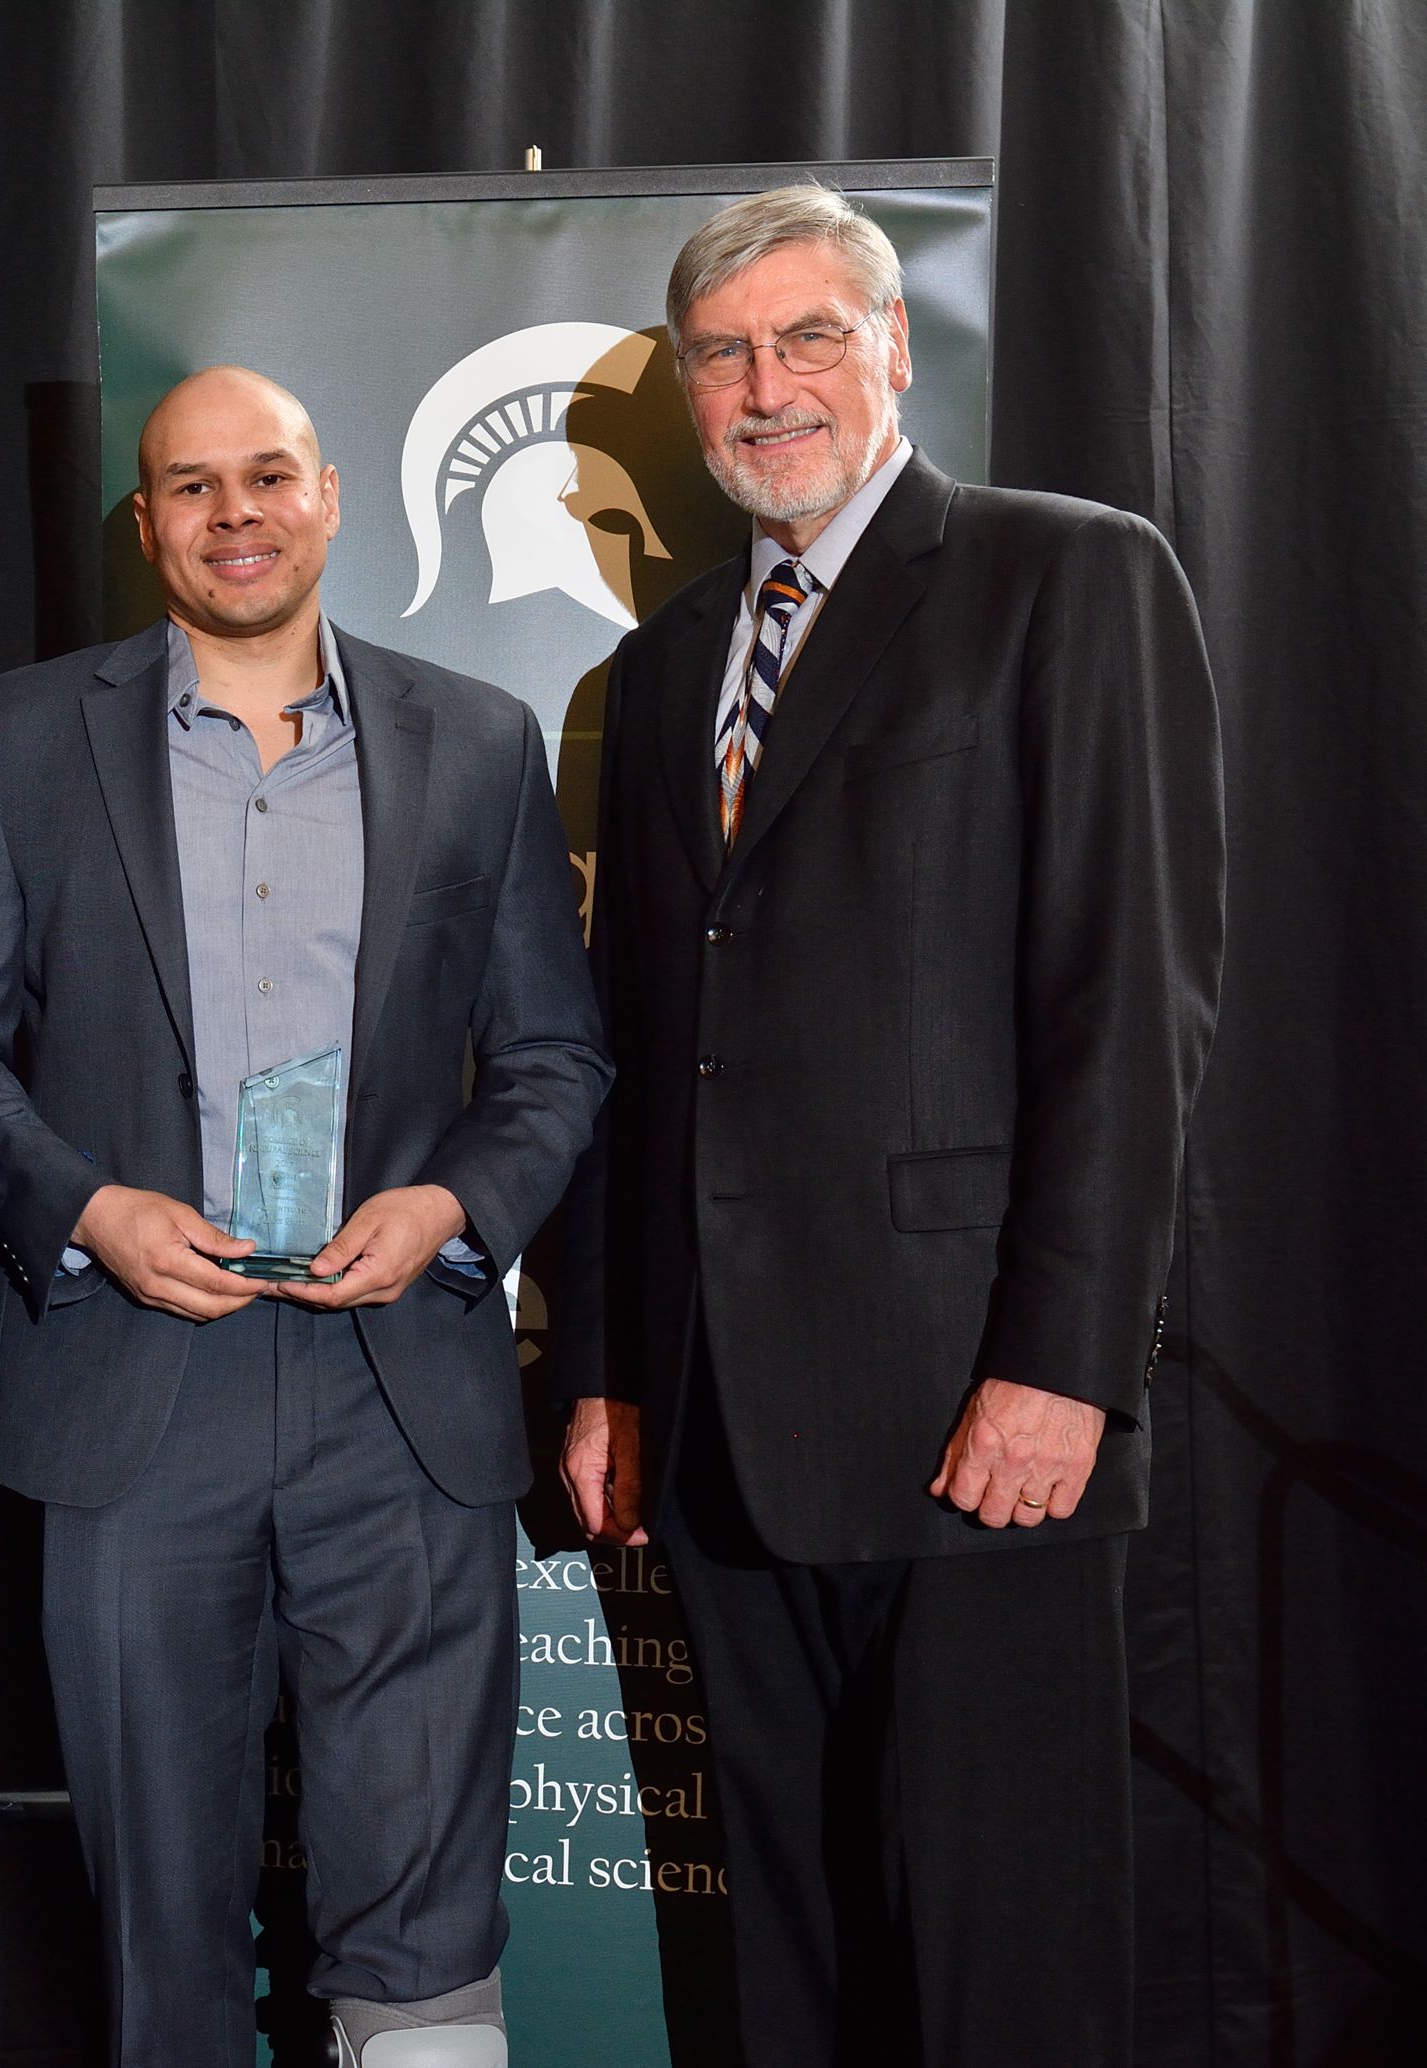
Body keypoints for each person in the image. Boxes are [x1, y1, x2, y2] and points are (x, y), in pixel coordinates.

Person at [551, 184, 1224, 2067]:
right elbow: (636, 1044)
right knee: (781, 1970)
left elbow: (1128, 1003)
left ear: (894, 347)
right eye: (726, 356)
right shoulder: (670, 665)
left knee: (999, 1962)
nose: (769, 389)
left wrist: (1064, 1366)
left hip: (973, 1423)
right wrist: (606, 1371)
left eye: (808, 338)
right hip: (716, 1430)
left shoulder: (1065, 577)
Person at [0, 367, 610, 2068]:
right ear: (145, 521)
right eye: (189, 486)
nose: (234, 514)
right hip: (140, 1390)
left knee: (432, 1926)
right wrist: (89, 1211)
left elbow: (552, 1055)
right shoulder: (15, 741)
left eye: (267, 477)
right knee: (160, 1928)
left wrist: (456, 1198)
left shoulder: (477, 737)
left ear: (329, 497)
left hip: (407, 1394)